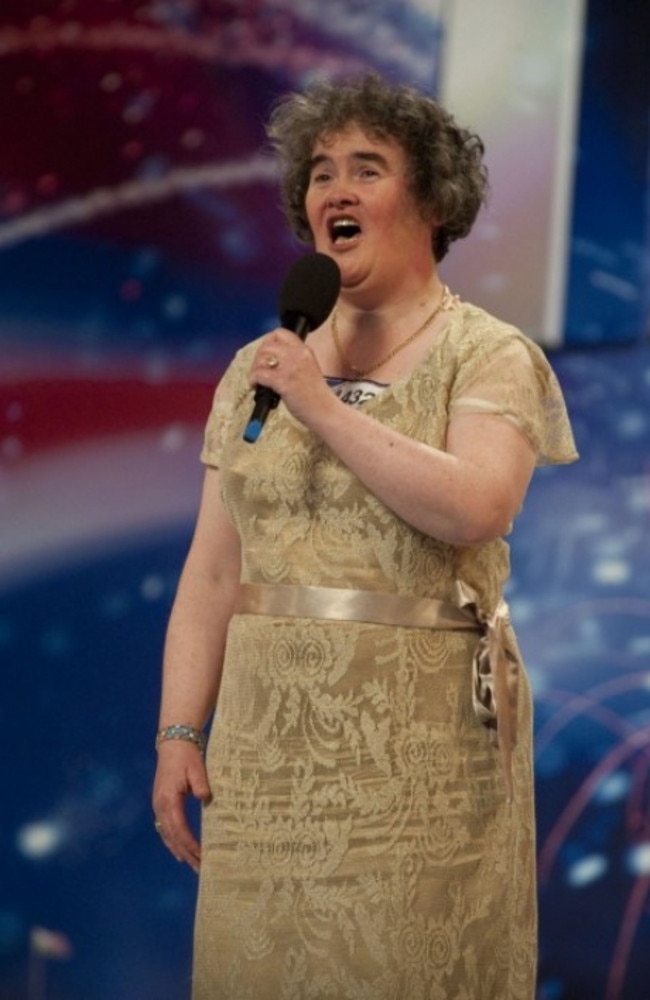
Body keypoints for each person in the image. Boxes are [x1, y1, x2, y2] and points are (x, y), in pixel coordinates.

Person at [152, 73, 578, 999]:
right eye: (319, 172)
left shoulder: (488, 352)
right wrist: (180, 732)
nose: (333, 190)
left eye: (366, 169)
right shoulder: (256, 369)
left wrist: (319, 403)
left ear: (429, 200)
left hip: (417, 761)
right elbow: (214, 569)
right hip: (263, 766)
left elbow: (477, 507)